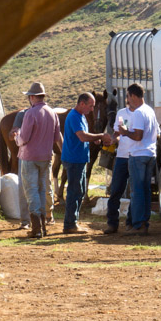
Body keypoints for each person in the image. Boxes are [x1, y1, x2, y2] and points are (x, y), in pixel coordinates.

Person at [15, 82, 63, 238]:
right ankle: (43, 225)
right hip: (46, 157)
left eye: (30, 96)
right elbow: (57, 138)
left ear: (33, 97)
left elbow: (24, 138)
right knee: (43, 190)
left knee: (32, 190)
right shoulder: (52, 113)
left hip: (29, 157)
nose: (29, 98)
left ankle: (36, 227)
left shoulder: (31, 113)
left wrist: (17, 139)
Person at [116, 83, 159, 236]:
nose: (127, 100)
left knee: (137, 191)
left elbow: (138, 136)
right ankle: (143, 223)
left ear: (133, 96)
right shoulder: (150, 110)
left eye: (128, 96)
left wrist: (125, 132)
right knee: (145, 189)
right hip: (150, 154)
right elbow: (157, 133)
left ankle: (138, 224)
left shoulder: (138, 113)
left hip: (138, 154)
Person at [61, 93, 105, 234]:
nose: (92, 109)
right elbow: (82, 136)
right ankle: (70, 224)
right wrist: (100, 136)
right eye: (90, 106)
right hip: (74, 159)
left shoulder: (80, 116)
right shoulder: (74, 116)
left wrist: (94, 139)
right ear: (82, 104)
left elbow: (84, 136)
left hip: (78, 159)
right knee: (74, 192)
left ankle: (72, 222)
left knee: (79, 191)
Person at [102, 97, 135, 234]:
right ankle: (112, 223)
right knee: (115, 190)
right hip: (121, 157)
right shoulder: (122, 113)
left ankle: (131, 222)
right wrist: (113, 140)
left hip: (136, 156)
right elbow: (119, 133)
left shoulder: (143, 113)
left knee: (135, 191)